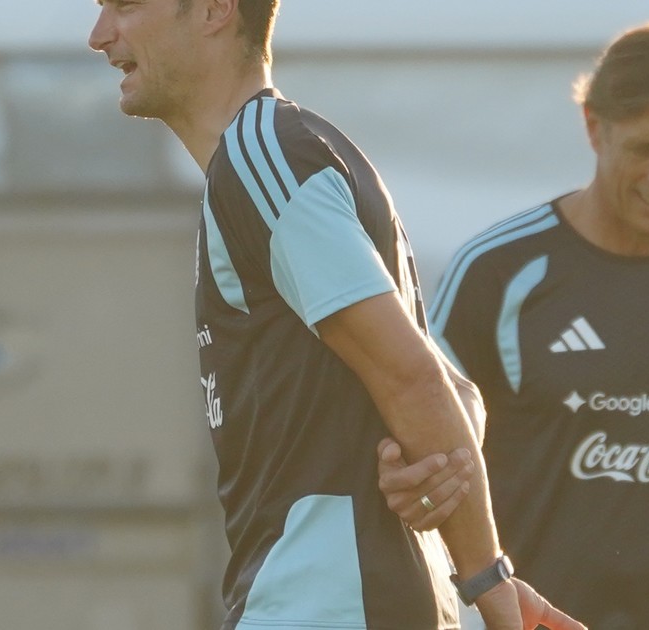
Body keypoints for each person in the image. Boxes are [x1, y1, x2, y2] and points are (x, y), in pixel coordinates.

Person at [88, 1, 584, 629]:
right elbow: (454, 393)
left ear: (215, 9)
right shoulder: (291, 151)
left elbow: (415, 379)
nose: (98, 35)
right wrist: (423, 466)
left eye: (126, 5)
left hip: (327, 604)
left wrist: (491, 585)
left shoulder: (261, 156)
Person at [378, 15, 649, 630]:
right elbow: (422, 430)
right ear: (595, 126)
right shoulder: (499, 272)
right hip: (547, 619)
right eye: (645, 149)